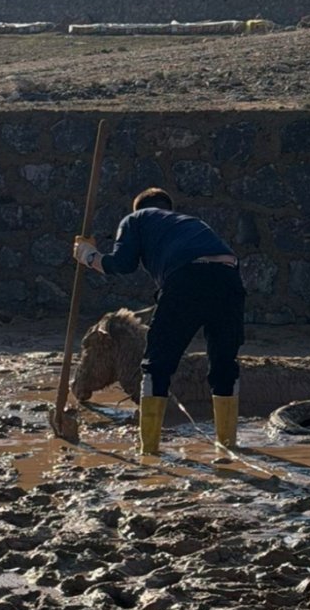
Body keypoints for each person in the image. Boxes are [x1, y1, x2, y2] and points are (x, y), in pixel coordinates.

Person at [73, 187, 245, 455]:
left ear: (139, 208)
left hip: (186, 278)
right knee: (224, 362)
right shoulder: (190, 223)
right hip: (229, 276)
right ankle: (228, 446)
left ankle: (149, 450)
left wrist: (88, 255)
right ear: (169, 209)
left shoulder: (137, 218)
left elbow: (122, 263)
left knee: (157, 364)